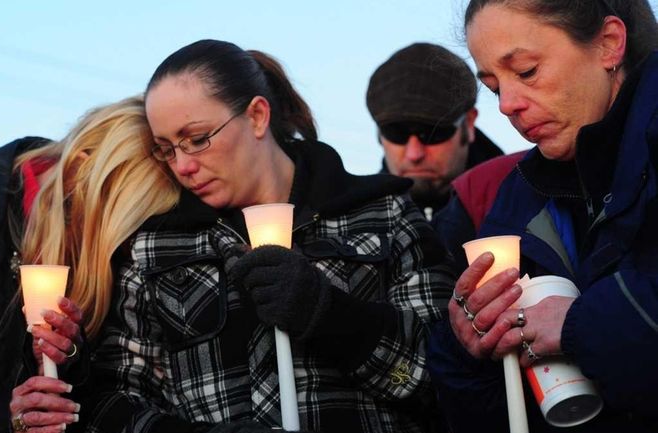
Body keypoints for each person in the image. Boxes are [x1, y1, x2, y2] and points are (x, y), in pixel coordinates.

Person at [86, 40, 455, 433]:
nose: (183, 165)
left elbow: (447, 381)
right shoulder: (155, 247)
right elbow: (114, 399)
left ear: (258, 116)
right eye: (166, 149)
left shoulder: (382, 213)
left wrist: (328, 314)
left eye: (196, 139)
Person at [427, 0, 658, 432]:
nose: (507, 105)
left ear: (609, 44)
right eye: (494, 86)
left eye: (527, 71)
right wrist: (466, 347)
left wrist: (578, 324)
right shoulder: (520, 195)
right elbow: (490, 417)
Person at [0, 95, 179, 432]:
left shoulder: (109, 268)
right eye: (113, 224)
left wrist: (70, 367)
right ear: (74, 174)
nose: (120, 249)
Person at [366, 43, 503, 220]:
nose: (414, 154)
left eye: (432, 133)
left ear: (469, 123)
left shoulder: (525, 204)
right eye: (396, 133)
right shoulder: (351, 224)